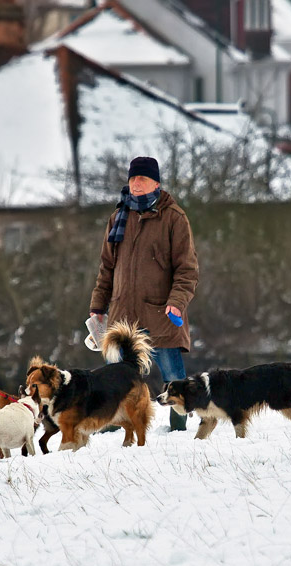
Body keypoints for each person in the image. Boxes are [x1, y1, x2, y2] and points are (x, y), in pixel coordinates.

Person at [89, 156, 199, 431]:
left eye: (143, 179)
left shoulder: (174, 217)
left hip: (160, 313)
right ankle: (113, 429)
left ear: (156, 184)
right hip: (121, 316)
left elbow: (187, 270)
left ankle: (179, 428)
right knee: (114, 378)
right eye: (133, 178)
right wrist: (98, 306)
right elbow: (107, 268)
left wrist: (176, 303)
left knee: (173, 377)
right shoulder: (118, 217)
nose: (136, 183)